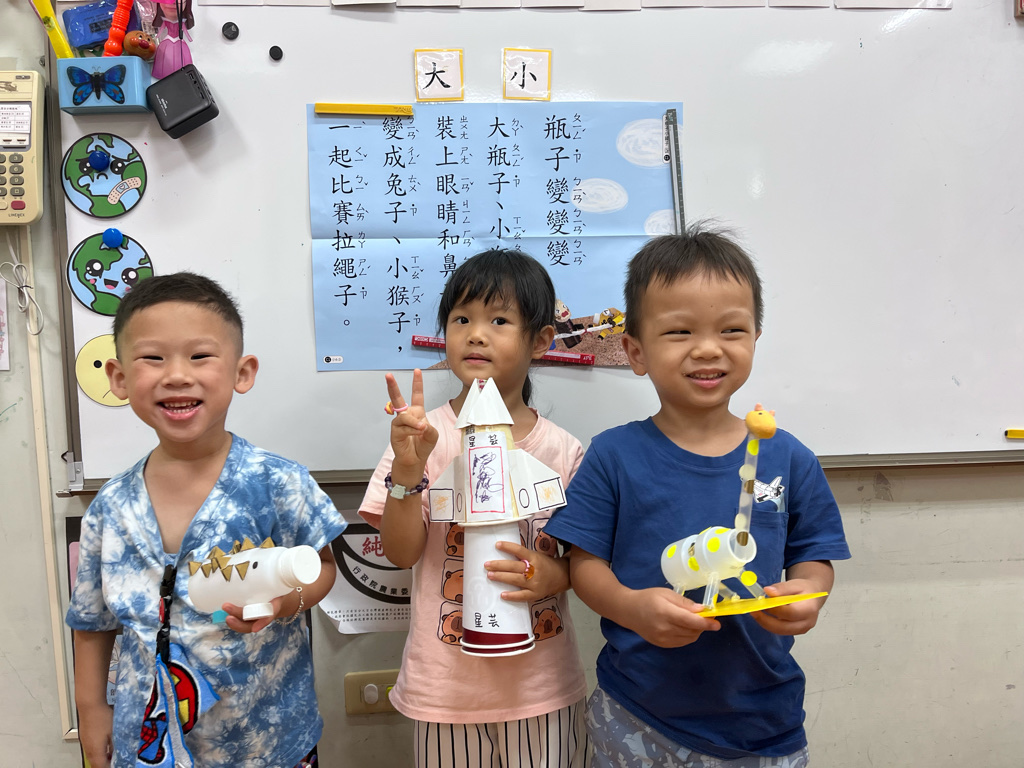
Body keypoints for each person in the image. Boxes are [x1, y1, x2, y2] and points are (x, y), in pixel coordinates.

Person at [543, 227, 851, 768]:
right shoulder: (613, 455)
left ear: (755, 338)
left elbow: (813, 554)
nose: (708, 348)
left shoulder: (788, 456)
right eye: (680, 331)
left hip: (765, 720)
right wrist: (631, 608)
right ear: (635, 351)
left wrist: (810, 593)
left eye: (731, 329)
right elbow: (583, 564)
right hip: (637, 714)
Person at [66, 272, 345, 768]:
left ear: (242, 372)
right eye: (153, 358)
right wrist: (91, 711)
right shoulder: (110, 506)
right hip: (148, 742)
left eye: (199, 356)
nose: (177, 375)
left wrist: (284, 604)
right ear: (119, 378)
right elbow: (92, 622)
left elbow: (322, 567)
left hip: (265, 740)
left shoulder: (277, 482)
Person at [359, 249, 590, 768]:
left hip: (542, 688)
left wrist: (553, 575)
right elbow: (401, 553)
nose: (476, 334)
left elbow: (586, 563)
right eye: (461, 319)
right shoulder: (421, 439)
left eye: (499, 321)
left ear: (541, 341)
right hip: (445, 692)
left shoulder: (564, 451)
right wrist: (408, 473)